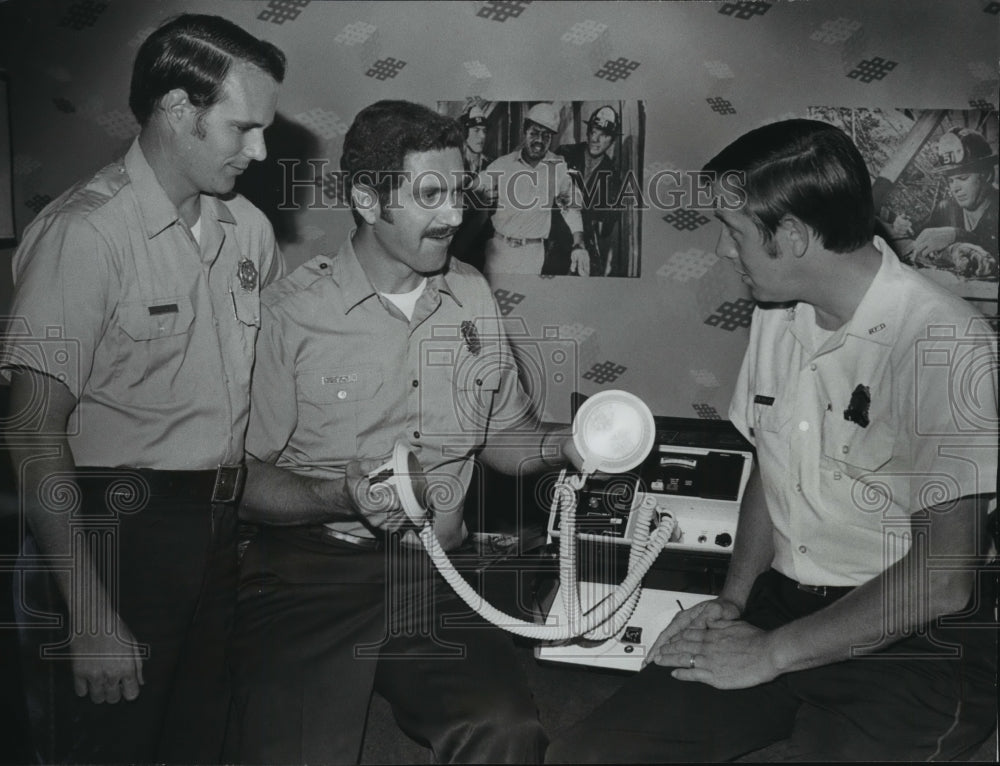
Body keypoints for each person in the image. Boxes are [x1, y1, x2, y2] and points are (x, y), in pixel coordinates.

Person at [546, 119, 998, 762]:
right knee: (582, 757)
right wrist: (731, 603)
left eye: (733, 230)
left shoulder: (943, 343)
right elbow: (772, 462)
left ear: (792, 236)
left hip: (914, 637)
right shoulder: (776, 315)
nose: (725, 251)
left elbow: (944, 578)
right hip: (782, 602)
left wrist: (770, 653)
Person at [227, 99, 581, 764]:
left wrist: (568, 444)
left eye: (459, 191)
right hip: (311, 574)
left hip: (434, 570)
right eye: (430, 195)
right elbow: (240, 480)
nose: (455, 214)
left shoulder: (473, 294)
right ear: (366, 198)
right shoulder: (288, 316)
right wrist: (339, 496)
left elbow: (505, 435)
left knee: (506, 731)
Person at [0, 14, 285, 764]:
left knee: (198, 744)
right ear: (178, 109)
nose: (259, 151)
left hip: (219, 534)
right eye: (244, 128)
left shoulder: (247, 232)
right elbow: (31, 431)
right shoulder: (84, 234)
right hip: (110, 538)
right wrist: (89, 614)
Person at [480, 102, 589, 276]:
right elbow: (477, 187)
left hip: (532, 254)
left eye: (546, 136)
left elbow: (571, 208)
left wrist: (579, 244)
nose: (539, 140)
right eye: (535, 133)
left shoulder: (557, 167)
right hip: (499, 252)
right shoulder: (503, 164)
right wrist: (483, 195)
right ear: (525, 131)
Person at [906, 126, 999, 275]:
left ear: (987, 175)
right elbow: (916, 233)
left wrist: (956, 235)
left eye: (963, 178)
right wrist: (903, 224)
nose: (955, 188)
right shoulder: (946, 208)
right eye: (950, 181)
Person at [555, 105, 624, 276]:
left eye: (604, 135)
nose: (596, 138)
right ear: (587, 132)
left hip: (583, 247)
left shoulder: (613, 178)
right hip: (549, 239)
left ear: (612, 141)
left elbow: (604, 229)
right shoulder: (564, 154)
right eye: (593, 131)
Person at [449, 104, 495, 272]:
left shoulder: (491, 165)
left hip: (486, 250)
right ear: (464, 133)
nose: (482, 136)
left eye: (484, 130)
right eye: (476, 130)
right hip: (458, 247)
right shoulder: (456, 166)